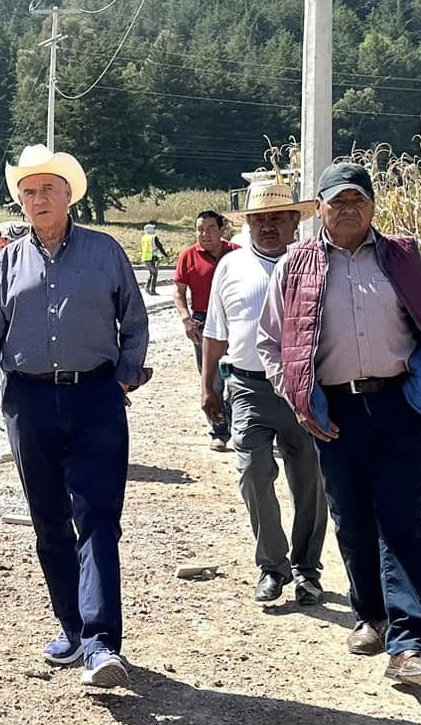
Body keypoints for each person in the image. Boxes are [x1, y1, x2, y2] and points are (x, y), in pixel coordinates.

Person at [256, 161, 421, 690]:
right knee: (351, 518)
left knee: (400, 521)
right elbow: (272, 344)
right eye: (337, 201)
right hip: (335, 413)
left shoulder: (403, 259)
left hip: (398, 405)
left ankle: (411, 642)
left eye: (358, 200)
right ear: (319, 208)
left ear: (373, 206)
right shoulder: (295, 265)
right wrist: (300, 401)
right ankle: (369, 615)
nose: (348, 209)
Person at [0, 145, 149, 690]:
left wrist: (123, 376)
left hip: (95, 397)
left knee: (97, 519)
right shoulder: (6, 263)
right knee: (48, 521)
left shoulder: (106, 252)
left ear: (69, 195)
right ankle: (72, 630)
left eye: (48, 189)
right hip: (29, 401)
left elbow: (134, 323)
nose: (38, 198)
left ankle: (100, 642)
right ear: (19, 201)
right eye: (29, 191)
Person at [200, 178, 327, 608]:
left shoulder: (314, 265)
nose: (268, 226)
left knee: (308, 482)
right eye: (259, 220)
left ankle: (309, 570)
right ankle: (273, 567)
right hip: (249, 389)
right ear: (249, 225)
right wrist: (207, 387)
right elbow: (215, 334)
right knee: (254, 474)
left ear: (296, 221)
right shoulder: (231, 269)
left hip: (305, 390)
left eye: (277, 218)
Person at [175, 210, 238, 450]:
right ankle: (219, 431)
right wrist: (186, 319)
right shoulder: (188, 256)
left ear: (222, 230)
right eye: (200, 229)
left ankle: (239, 425)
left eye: (211, 229)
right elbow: (179, 293)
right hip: (203, 321)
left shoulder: (236, 254)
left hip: (234, 320)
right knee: (211, 378)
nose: (205, 234)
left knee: (237, 376)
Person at [139, 223, 166, 295]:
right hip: (152, 257)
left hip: (145, 257)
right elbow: (159, 246)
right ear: (150, 229)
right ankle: (152, 290)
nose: (154, 230)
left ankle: (147, 288)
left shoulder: (144, 237)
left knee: (152, 273)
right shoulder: (153, 237)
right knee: (155, 273)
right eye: (153, 228)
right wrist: (165, 255)